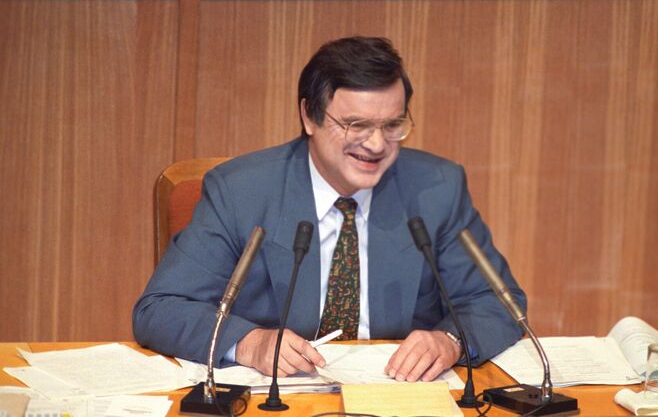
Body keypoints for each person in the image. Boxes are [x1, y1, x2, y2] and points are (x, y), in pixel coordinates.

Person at [133, 36, 526, 383]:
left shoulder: (437, 188)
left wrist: (451, 340)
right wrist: (249, 343)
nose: (376, 145)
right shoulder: (242, 191)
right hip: (280, 398)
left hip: (400, 396)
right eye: (356, 125)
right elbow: (160, 309)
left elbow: (499, 302)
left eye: (392, 125)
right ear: (309, 116)